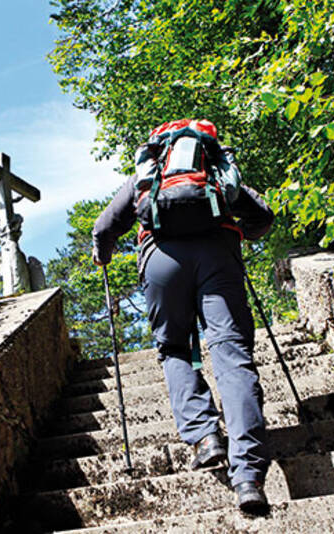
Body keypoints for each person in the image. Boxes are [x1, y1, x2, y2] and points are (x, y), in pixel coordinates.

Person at [91, 129, 274, 515]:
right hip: (218, 254)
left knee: (175, 348)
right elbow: (262, 216)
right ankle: (249, 477)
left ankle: (205, 438)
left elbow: (104, 228)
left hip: (161, 260)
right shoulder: (215, 171)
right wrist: (242, 232)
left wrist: (102, 255)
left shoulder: (149, 175)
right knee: (231, 354)